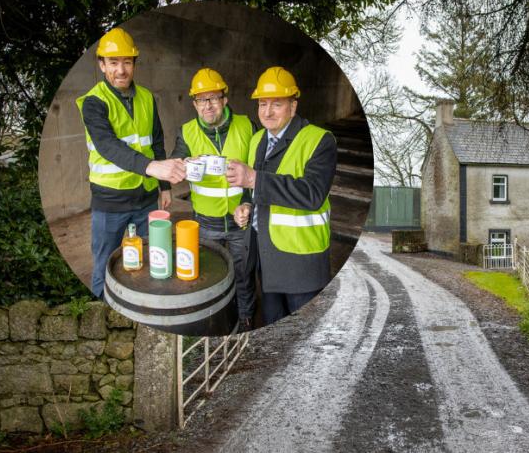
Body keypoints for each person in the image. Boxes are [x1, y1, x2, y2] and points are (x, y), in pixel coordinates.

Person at [76, 27, 185, 298]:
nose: (121, 70)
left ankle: (144, 310)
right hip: (110, 203)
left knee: (152, 260)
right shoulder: (94, 102)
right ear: (102, 64)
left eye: (127, 62)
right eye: (113, 62)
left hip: (146, 199)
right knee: (105, 267)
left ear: (134, 64)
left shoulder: (147, 97)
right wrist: (153, 168)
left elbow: (156, 143)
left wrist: (164, 187)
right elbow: (108, 146)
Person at [226, 66, 337, 327]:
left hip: (301, 263)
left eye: (276, 104)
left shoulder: (320, 140)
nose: (267, 112)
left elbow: (312, 194)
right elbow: (253, 191)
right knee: (274, 331)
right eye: (263, 103)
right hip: (266, 257)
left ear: (293, 106)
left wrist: (253, 178)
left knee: (306, 335)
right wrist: (245, 205)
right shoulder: (256, 140)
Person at [171, 67, 256, 329]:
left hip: (241, 221)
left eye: (213, 98)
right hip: (206, 222)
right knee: (211, 275)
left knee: (244, 275)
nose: (208, 106)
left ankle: (246, 320)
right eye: (201, 100)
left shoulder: (247, 126)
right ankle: (218, 321)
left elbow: (259, 172)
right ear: (195, 104)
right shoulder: (187, 132)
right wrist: (185, 164)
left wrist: (249, 204)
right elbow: (174, 169)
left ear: (224, 99)